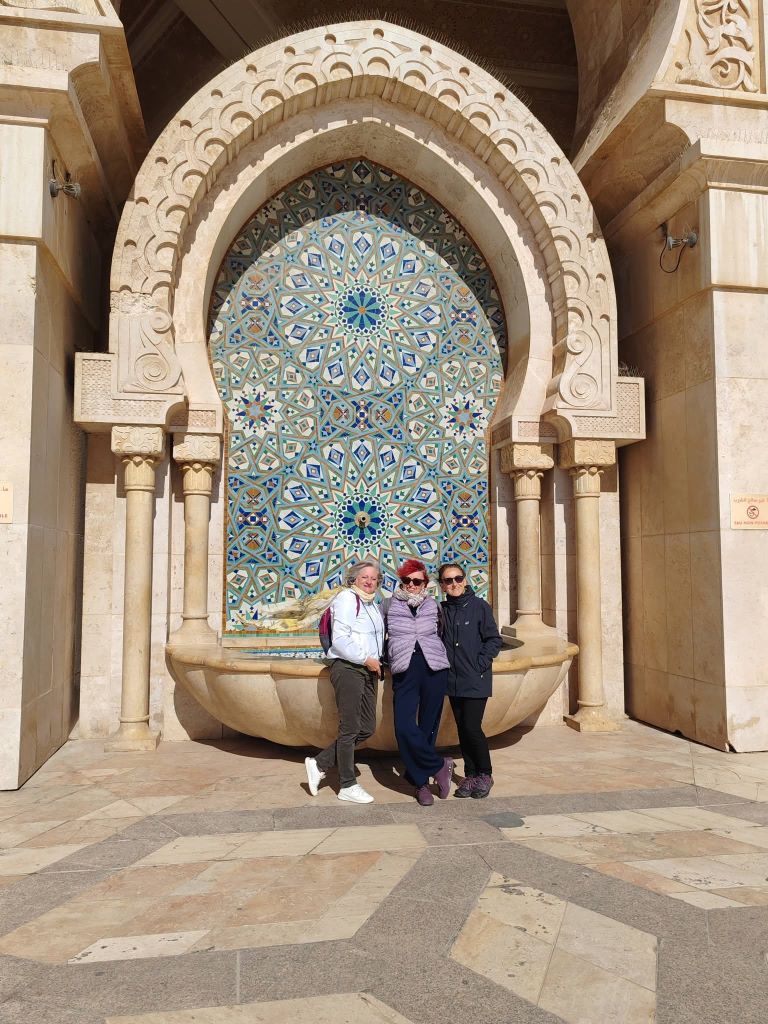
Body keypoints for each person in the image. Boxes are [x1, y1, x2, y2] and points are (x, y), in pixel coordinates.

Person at [305, 558, 384, 804]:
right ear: (354, 579)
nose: (370, 581)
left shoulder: (372, 603)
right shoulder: (347, 599)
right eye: (365, 577)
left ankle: (320, 762)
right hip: (349, 668)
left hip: (368, 669)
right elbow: (340, 639)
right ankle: (347, 785)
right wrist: (365, 659)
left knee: (367, 727)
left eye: (374, 578)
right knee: (349, 728)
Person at [385, 558, 454, 806]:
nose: (412, 585)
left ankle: (421, 784)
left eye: (417, 581)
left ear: (425, 583)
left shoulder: (434, 605)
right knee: (404, 726)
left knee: (428, 727)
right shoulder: (388, 605)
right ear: (401, 582)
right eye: (407, 580)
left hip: (434, 668)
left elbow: (442, 633)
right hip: (405, 668)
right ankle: (439, 765)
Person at [439, 563, 503, 799]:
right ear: (442, 585)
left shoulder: (479, 606)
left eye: (458, 578)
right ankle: (471, 774)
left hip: (475, 679)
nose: (454, 584)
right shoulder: (442, 610)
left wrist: (480, 663)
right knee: (462, 729)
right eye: (448, 580)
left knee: (472, 727)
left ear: (465, 580)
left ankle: (485, 773)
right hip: (453, 680)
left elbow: (493, 640)